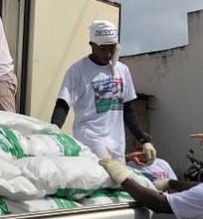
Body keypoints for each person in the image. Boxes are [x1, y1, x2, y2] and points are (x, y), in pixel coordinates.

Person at [50, 20, 156, 163]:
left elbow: (128, 109)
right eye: (102, 48)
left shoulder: (122, 70)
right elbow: (63, 103)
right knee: (109, 170)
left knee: (117, 181)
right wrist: (53, 131)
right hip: (90, 137)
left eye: (112, 48)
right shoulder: (78, 71)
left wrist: (143, 139)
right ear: (92, 45)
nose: (107, 53)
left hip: (117, 142)